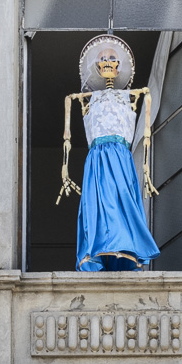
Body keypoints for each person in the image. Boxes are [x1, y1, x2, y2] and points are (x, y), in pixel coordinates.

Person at [57, 34, 160, 271]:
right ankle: (98, 250)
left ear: (119, 65)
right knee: (96, 203)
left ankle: (122, 248)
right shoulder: (85, 99)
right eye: (102, 58)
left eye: (111, 58)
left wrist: (146, 172)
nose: (106, 62)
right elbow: (67, 136)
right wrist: (65, 170)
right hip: (97, 158)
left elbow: (146, 134)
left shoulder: (135, 96)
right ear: (96, 65)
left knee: (120, 200)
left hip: (121, 157)